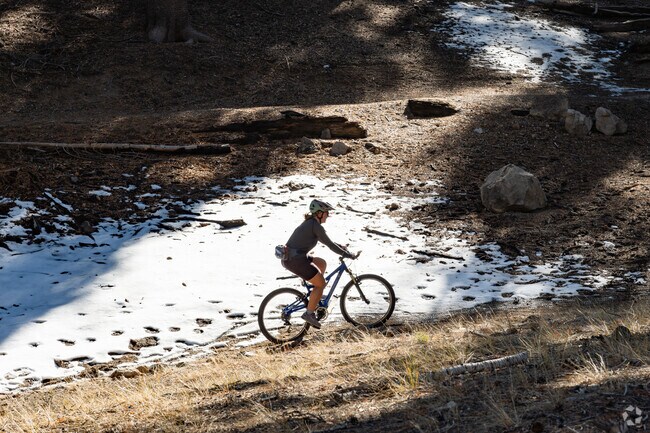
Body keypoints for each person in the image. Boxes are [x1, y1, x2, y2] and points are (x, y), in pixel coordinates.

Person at [281, 199, 356, 329]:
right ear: (320, 213)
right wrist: (347, 254)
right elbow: (330, 245)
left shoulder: (311, 224)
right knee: (321, 283)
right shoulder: (315, 226)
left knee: (321, 263)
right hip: (296, 260)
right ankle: (309, 313)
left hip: (295, 258)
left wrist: (341, 247)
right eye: (327, 212)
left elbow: (328, 241)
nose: (328, 215)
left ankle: (315, 294)